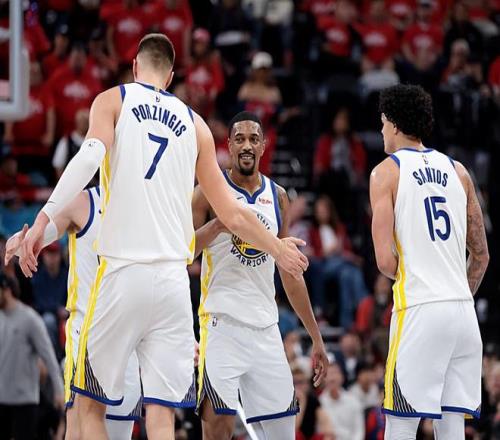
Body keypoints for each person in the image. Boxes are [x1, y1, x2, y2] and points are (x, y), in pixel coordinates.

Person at [19, 34, 307, 440]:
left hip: (124, 272)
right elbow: (232, 212)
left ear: (135, 67)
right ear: (171, 77)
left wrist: (43, 217)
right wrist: (277, 248)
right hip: (173, 286)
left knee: (89, 408)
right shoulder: (196, 124)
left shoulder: (113, 100)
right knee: (161, 417)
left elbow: (89, 157)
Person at [191, 111, 328, 440]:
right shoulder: (207, 192)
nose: (247, 146)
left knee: (283, 431)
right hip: (221, 323)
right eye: (239, 139)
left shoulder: (278, 196)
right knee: (218, 428)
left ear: (264, 146)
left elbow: (290, 271)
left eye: (254, 139)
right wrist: (219, 224)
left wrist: (316, 337)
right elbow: (183, 250)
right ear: (229, 145)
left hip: (266, 327)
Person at [370, 84, 489, 439]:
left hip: (421, 309)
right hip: (463, 314)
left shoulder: (385, 172)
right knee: (451, 426)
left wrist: (425, 283)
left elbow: (384, 261)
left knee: (401, 422)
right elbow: (481, 255)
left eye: (382, 122)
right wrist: (455, 294)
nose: (381, 130)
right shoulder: (459, 171)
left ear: (393, 123)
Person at [5, 188, 141, 440]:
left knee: (118, 432)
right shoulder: (84, 201)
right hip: (87, 336)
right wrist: (22, 242)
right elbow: (44, 234)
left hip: (127, 340)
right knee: (77, 430)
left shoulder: (143, 204)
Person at [0, 273, 64, 440]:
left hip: (24, 399)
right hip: (2, 396)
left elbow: (49, 357)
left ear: (6, 289)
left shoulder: (30, 319)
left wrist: (59, 390)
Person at [319, 362, 365, 440]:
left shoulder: (354, 401)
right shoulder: (319, 403)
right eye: (328, 374)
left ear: (342, 377)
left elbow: (359, 431)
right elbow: (319, 431)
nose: (332, 378)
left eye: (335, 373)